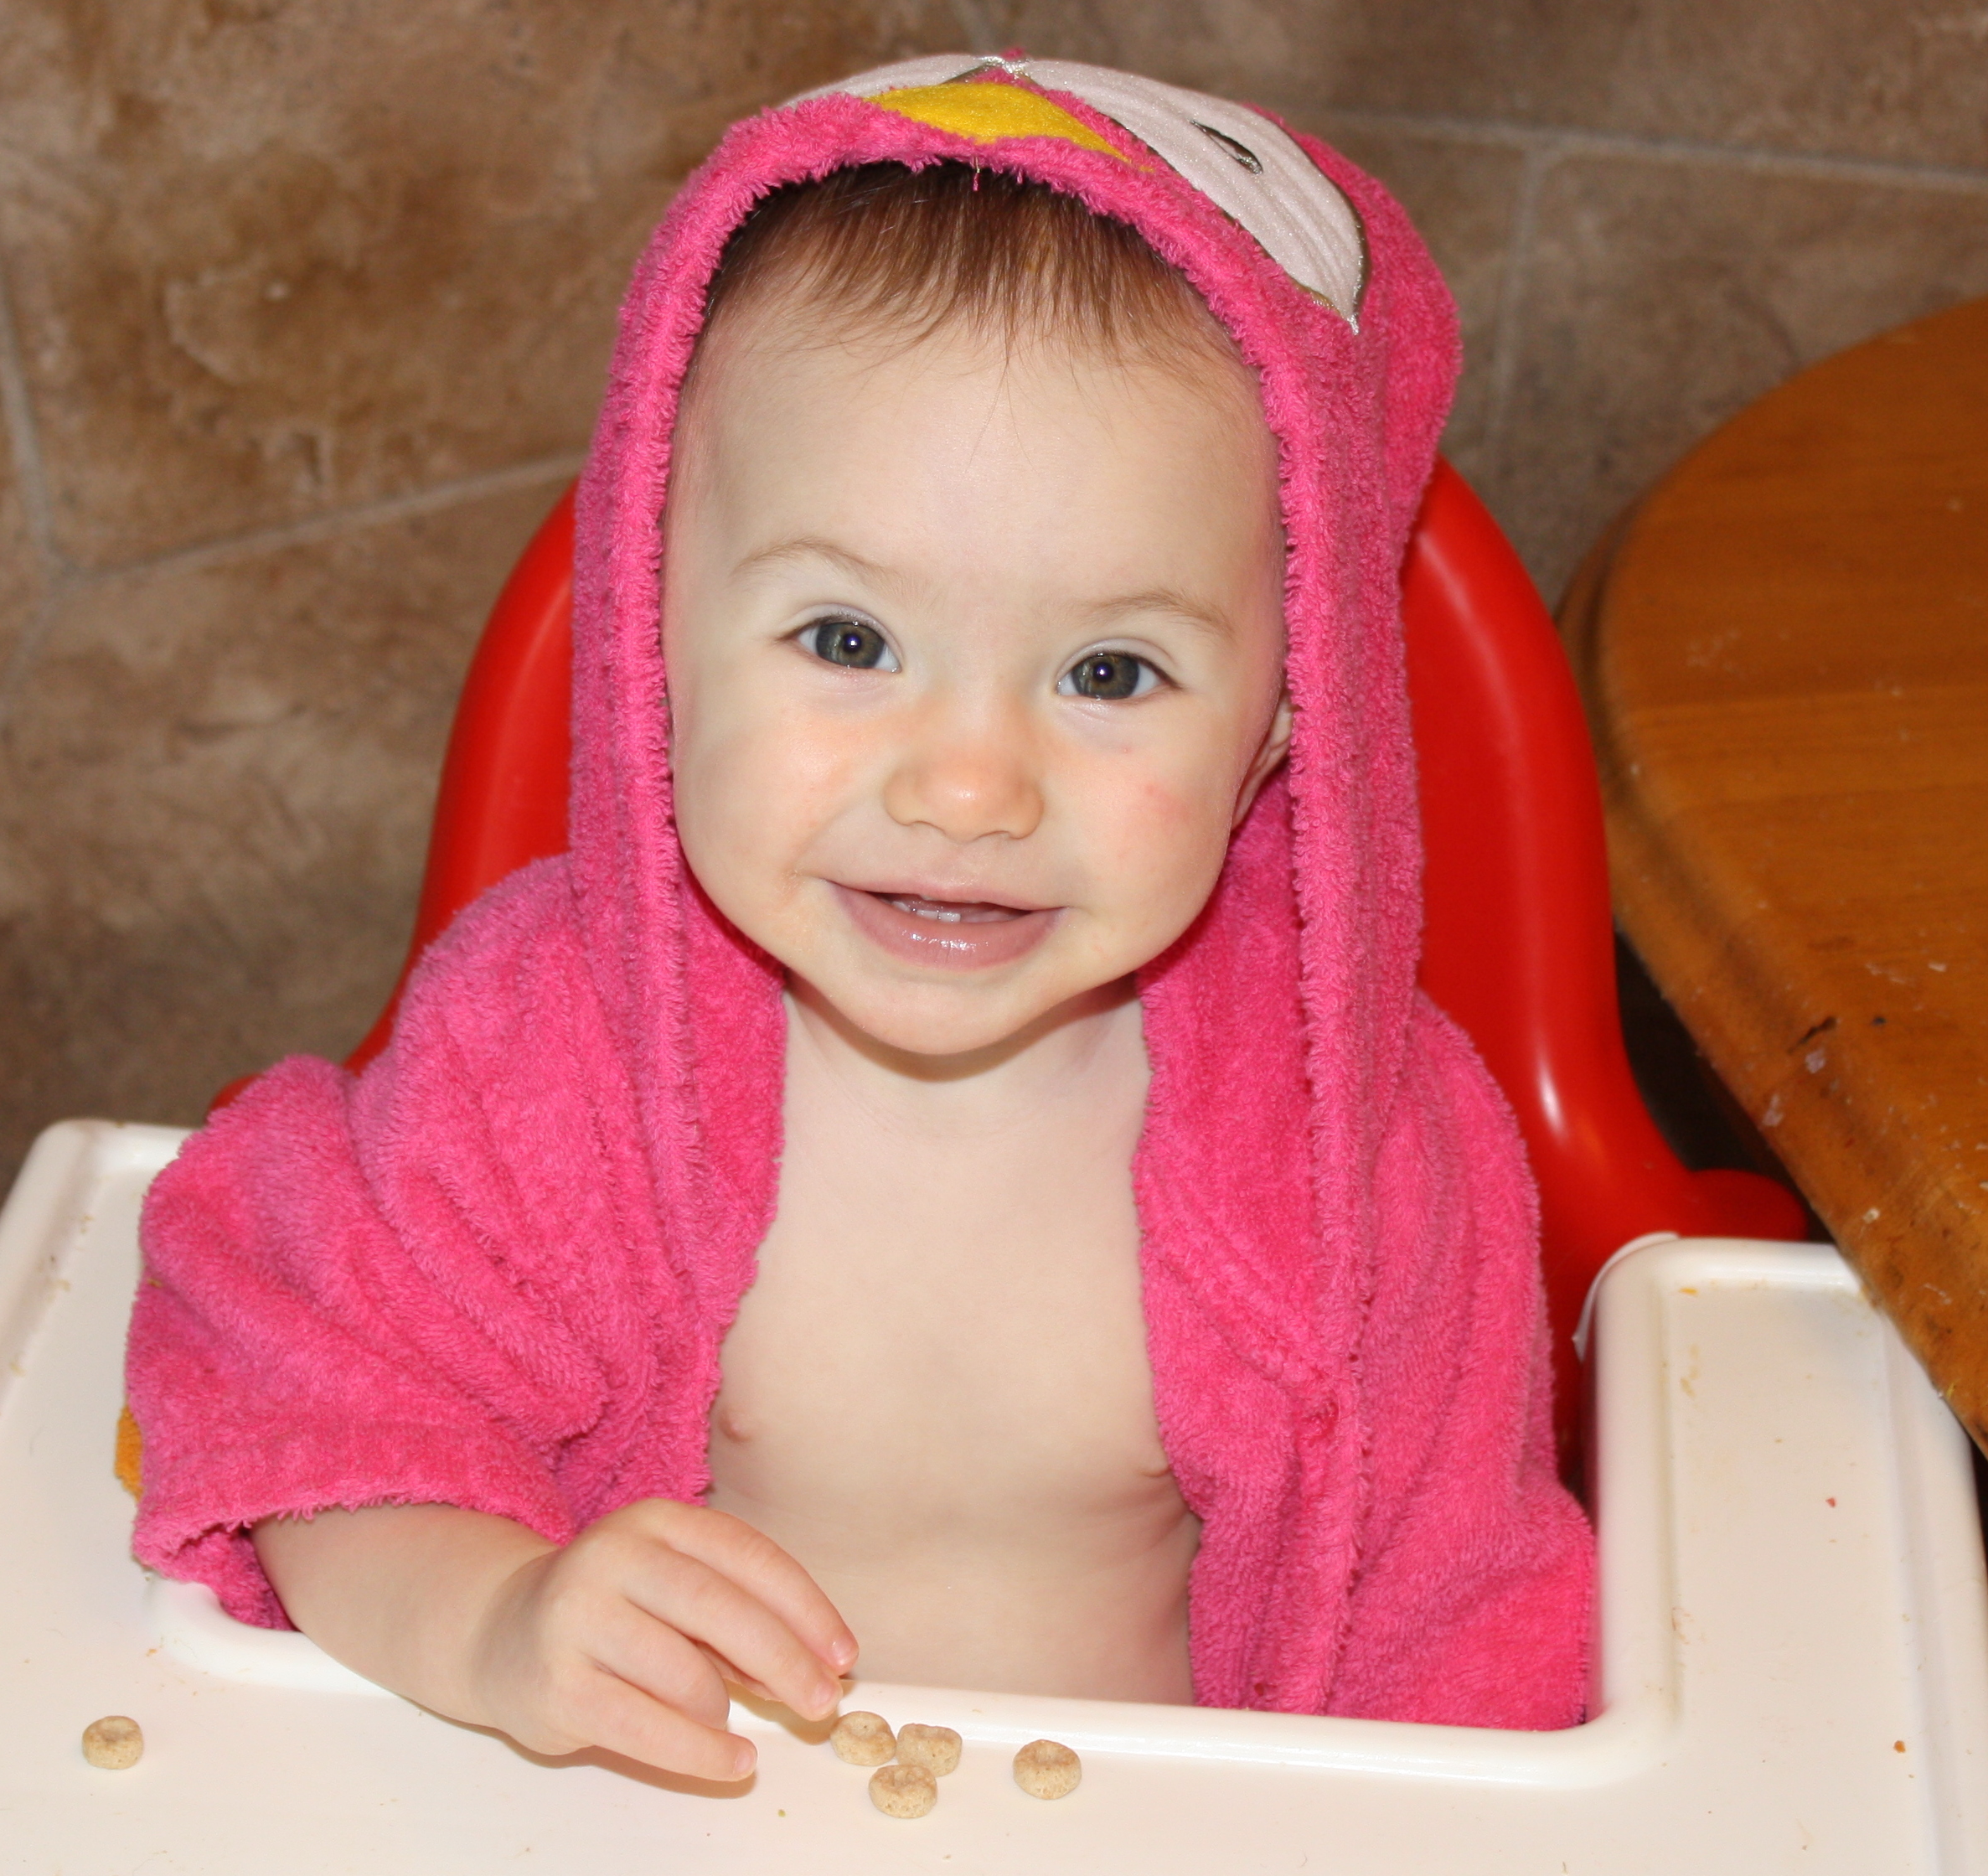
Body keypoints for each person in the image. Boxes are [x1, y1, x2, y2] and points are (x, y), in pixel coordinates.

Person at [123, 54, 1593, 1785]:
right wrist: (494, 1618)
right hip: (633, 1853)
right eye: (847, 641)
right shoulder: (548, 1055)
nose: (967, 789)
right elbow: (307, 1393)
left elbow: (1463, 1640)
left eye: (1110, 673)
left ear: (1284, 721)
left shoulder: (1364, 1156)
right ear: (651, 628)